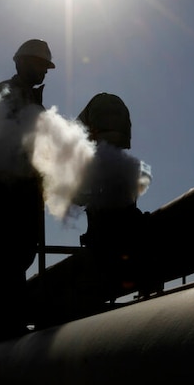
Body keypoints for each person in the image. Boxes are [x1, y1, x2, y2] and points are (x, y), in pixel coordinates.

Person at [0, 38, 55, 340]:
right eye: (38, 65)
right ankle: (2, 323)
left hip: (26, 190)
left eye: (46, 68)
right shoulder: (5, 93)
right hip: (6, 189)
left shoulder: (34, 101)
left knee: (20, 253)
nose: (43, 72)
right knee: (4, 253)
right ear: (21, 63)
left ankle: (11, 319)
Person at [74, 93, 157, 298]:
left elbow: (79, 197)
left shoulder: (95, 120)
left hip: (105, 240)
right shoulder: (113, 114)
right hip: (121, 226)